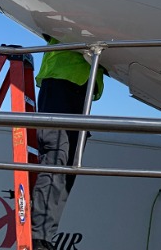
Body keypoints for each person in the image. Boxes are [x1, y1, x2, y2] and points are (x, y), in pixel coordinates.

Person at [32, 37, 105, 250]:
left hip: (84, 85)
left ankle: (45, 235)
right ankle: (38, 236)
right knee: (57, 155)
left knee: (71, 164)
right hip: (61, 79)